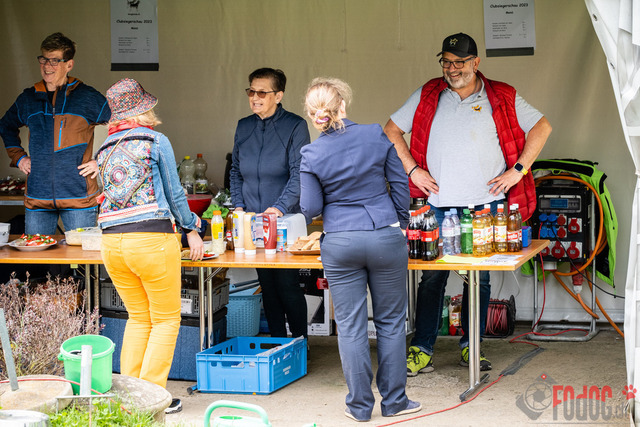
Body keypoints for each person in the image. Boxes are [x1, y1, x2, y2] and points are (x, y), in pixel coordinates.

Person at [383, 33, 552, 376]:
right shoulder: (428, 93)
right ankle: (422, 348)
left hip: (485, 206)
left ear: (476, 62)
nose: (452, 69)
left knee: (480, 279)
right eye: (446, 62)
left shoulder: (501, 94)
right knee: (432, 279)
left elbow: (542, 126)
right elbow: (390, 130)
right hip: (437, 205)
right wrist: (413, 170)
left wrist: (518, 170)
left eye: (459, 62)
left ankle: (471, 346)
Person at [300, 77, 421, 422]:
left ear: (313, 114)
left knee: (350, 327)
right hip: (384, 235)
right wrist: (398, 223)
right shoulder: (374, 134)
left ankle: (359, 408)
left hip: (340, 242)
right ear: (343, 105)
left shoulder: (311, 153)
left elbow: (310, 208)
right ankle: (395, 402)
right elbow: (400, 184)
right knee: (391, 322)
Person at [96, 78, 204, 414]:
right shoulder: (155, 140)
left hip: (111, 243)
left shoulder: (104, 148)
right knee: (167, 319)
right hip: (151, 240)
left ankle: (129, 397)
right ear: (144, 109)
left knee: (138, 318)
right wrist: (192, 226)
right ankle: (152, 399)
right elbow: (174, 193)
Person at [0, 32, 111, 235]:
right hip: (38, 198)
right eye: (43, 59)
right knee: (36, 252)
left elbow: (124, 124)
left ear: (69, 64)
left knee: (80, 254)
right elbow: (5, 125)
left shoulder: (87, 97)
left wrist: (102, 161)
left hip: (79, 198)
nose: (47, 66)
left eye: (54, 61)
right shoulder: (28, 98)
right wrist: (19, 158)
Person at [230, 68, 310, 340]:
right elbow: (236, 171)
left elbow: (300, 173)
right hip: (253, 220)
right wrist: (238, 206)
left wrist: (279, 208)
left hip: (285, 219)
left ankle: (300, 342)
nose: (255, 97)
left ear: (278, 95)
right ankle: (277, 342)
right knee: (267, 284)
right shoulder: (244, 126)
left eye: (262, 92)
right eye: (251, 91)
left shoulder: (295, 125)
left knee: (287, 284)